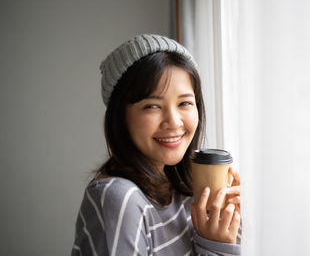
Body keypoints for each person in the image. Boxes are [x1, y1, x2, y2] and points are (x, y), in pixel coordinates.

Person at [71, 34, 241, 256]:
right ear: (120, 118)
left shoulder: (188, 189)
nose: (174, 121)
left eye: (185, 103)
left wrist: (227, 229)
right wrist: (216, 249)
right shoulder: (119, 199)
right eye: (152, 106)